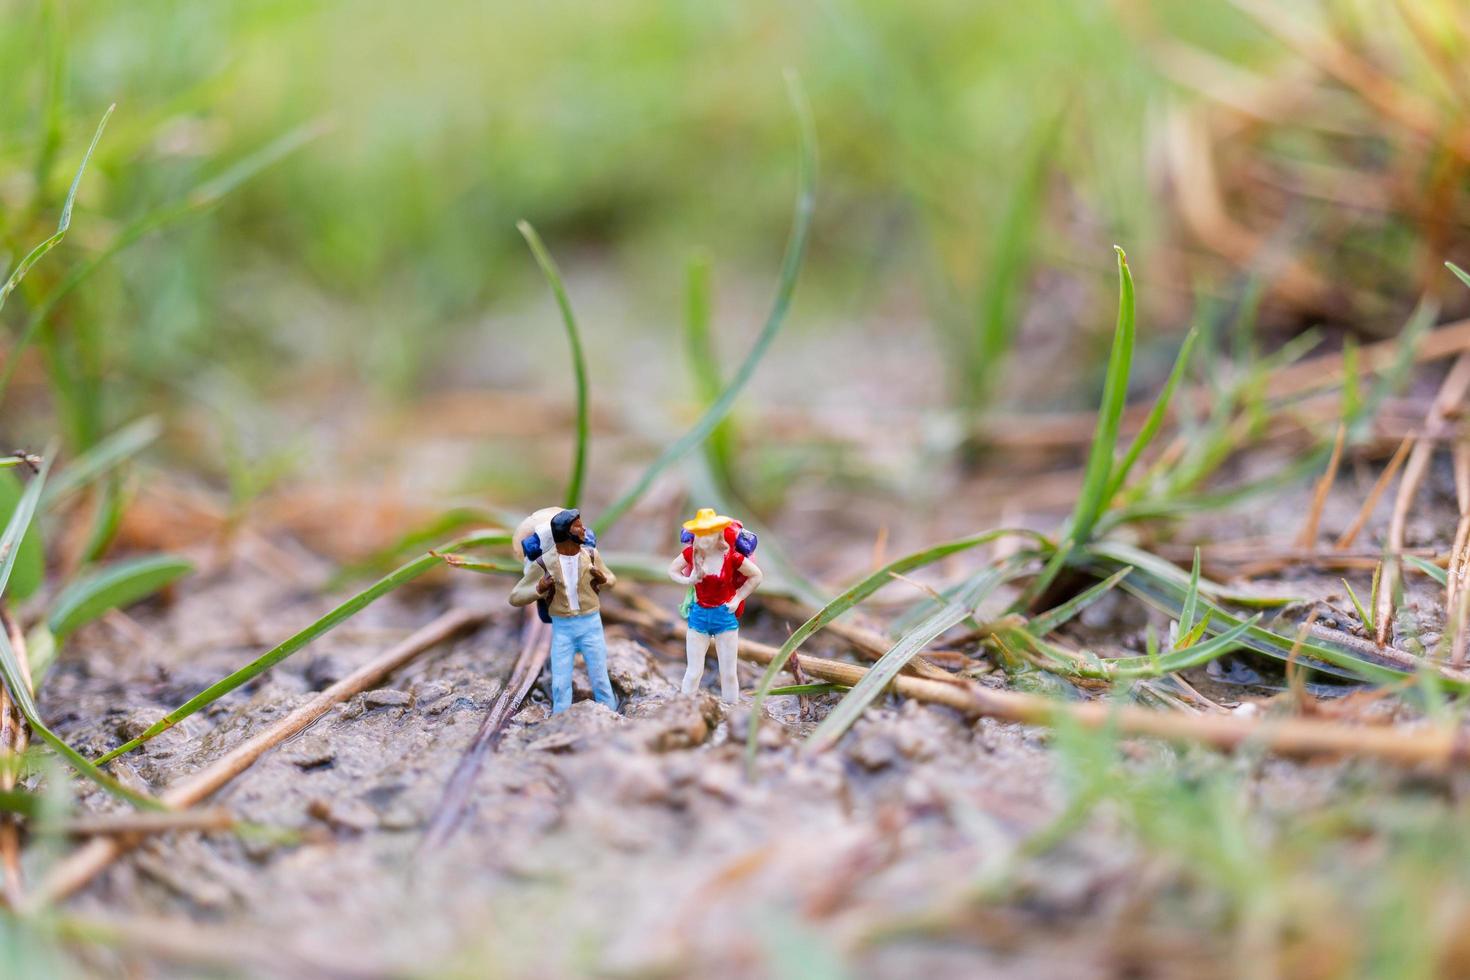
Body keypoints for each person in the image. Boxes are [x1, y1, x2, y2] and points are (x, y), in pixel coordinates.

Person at [509, 508, 618, 714]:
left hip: (591, 624)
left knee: (600, 677)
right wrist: (539, 588)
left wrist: (602, 579)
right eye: (578, 526)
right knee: (560, 682)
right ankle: (559, 717)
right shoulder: (544, 563)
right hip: (563, 628)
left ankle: (611, 714)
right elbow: (515, 597)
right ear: (564, 532)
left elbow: (611, 580)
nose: (584, 529)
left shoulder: (591, 556)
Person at [667, 508, 763, 702]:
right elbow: (672, 570)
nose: (703, 538)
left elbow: (756, 576)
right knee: (693, 671)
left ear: (718, 534)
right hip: (699, 616)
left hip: (724, 616)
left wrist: (737, 598)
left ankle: (732, 712)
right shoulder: (690, 553)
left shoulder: (732, 557)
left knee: (728, 673)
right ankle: (684, 709)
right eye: (700, 533)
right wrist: (689, 580)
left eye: (708, 533)